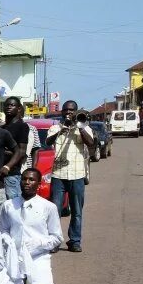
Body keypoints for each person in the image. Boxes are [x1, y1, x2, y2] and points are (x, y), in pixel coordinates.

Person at [0, 168, 63, 284]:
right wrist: (6, 239)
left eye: (31, 180)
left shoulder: (48, 207)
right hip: (14, 256)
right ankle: (20, 283)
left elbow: (57, 238)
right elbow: (3, 229)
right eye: (24, 179)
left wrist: (37, 244)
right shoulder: (8, 205)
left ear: (39, 184)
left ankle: (39, 280)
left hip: (37, 255)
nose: (27, 182)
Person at [46, 100, 94, 253]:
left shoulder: (83, 127)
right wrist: (61, 129)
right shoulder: (55, 127)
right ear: (61, 112)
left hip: (77, 174)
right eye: (66, 110)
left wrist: (79, 127)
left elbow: (91, 143)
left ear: (76, 111)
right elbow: (48, 142)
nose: (68, 112)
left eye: (71, 110)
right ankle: (54, 241)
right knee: (55, 211)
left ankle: (74, 241)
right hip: (58, 174)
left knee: (77, 211)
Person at [1, 97, 40, 198]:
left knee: (14, 206)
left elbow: (22, 152)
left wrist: (33, 168)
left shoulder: (23, 127)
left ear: (19, 109)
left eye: (12, 105)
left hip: (13, 172)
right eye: (7, 105)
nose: (9, 107)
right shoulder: (1, 128)